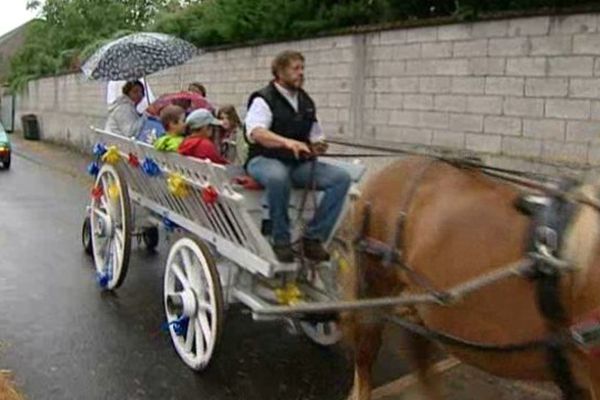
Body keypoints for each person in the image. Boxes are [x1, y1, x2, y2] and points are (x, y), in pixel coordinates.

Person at [244, 50, 351, 263]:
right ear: (280, 71)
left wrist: (318, 146)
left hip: (297, 165)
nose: (301, 73)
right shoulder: (263, 99)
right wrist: (287, 142)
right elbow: (257, 132)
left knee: (341, 179)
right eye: (296, 68)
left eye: (302, 68)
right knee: (278, 176)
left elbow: (316, 135)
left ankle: (313, 238)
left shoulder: (306, 101)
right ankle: (280, 239)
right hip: (263, 160)